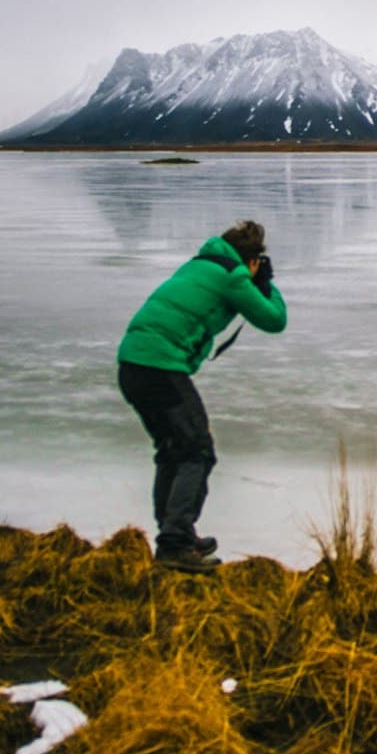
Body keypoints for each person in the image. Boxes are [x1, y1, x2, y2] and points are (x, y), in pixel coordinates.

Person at [116, 219, 288, 572]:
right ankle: (174, 544)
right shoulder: (233, 277)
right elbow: (274, 320)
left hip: (133, 363)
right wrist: (265, 281)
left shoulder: (199, 264)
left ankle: (173, 534)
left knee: (172, 450)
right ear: (252, 259)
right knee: (197, 450)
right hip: (160, 366)